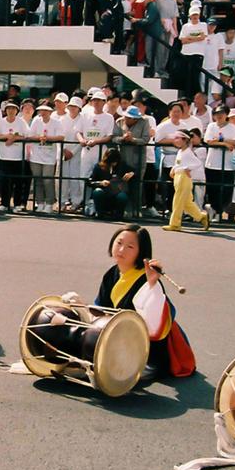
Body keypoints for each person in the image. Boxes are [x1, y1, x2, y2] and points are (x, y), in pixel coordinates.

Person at [68, 225, 195, 382]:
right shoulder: (112, 273)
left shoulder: (148, 280)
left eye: (130, 246)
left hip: (144, 349)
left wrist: (152, 285)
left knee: (116, 373)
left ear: (141, 252)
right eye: (119, 243)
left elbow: (154, 325)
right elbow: (101, 309)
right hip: (117, 338)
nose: (121, 250)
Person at [163, 130, 210, 232]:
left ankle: (175, 224)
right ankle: (201, 217)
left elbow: (197, 163)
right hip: (179, 177)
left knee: (178, 201)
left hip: (183, 178)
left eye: (177, 138)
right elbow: (179, 163)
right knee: (187, 203)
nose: (175, 140)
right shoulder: (181, 151)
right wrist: (174, 169)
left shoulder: (188, 152)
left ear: (184, 140)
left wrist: (187, 168)